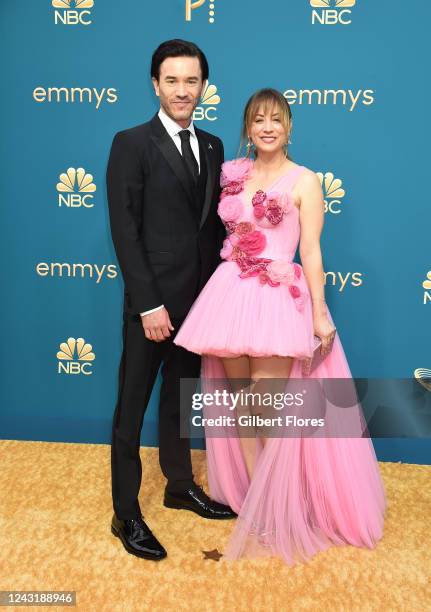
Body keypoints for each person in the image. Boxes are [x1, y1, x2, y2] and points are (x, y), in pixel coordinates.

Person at [174, 88, 387, 565]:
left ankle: (287, 505)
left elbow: (310, 251)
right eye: (258, 120)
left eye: (276, 119)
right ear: (248, 129)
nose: (267, 127)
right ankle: (258, 508)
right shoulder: (235, 175)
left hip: (275, 295)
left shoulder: (305, 180)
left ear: (289, 127)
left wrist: (318, 311)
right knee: (241, 411)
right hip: (231, 295)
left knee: (269, 411)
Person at [106, 39, 236, 562]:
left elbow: (211, 229)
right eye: (172, 80)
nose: (183, 90)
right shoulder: (130, 143)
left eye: (192, 81)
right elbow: (124, 231)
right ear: (155, 85)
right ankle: (125, 513)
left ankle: (179, 486)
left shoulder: (213, 145)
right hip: (152, 306)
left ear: (204, 86)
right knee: (131, 408)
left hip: (199, 305)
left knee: (181, 402)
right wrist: (148, 304)